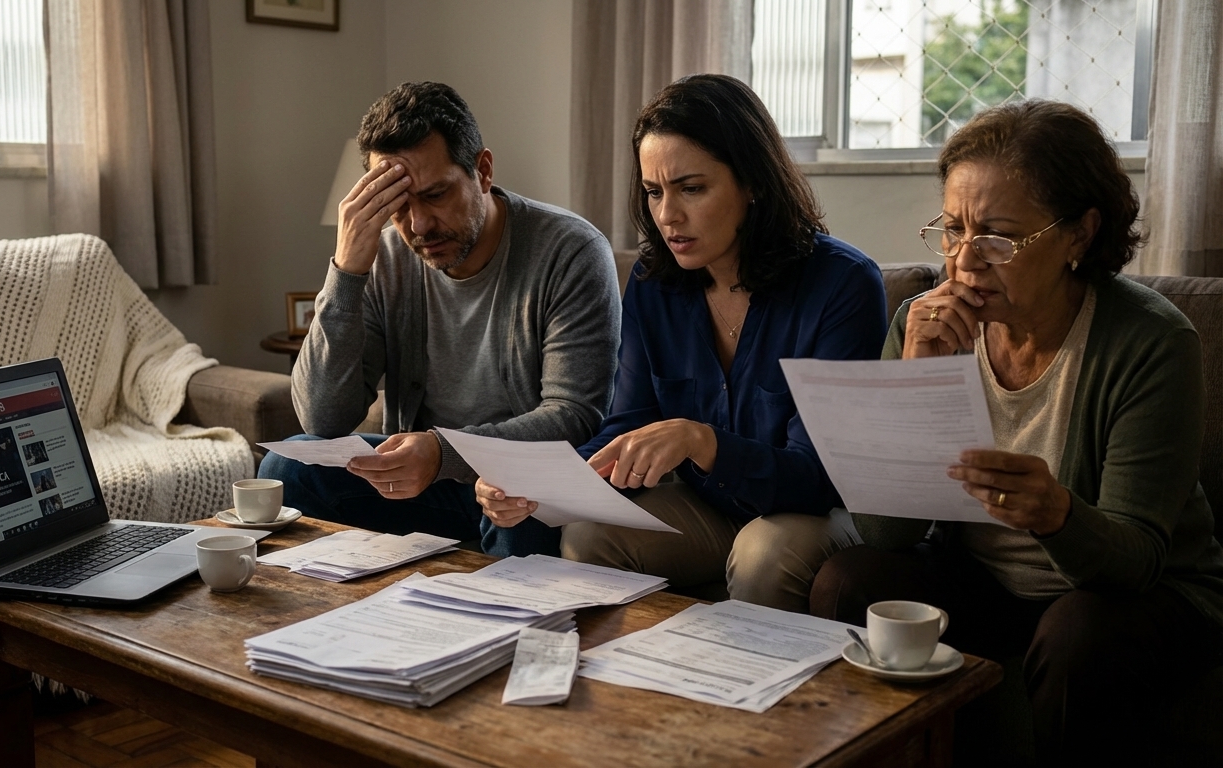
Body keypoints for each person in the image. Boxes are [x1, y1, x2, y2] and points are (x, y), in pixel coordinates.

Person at [807, 100, 1223, 766]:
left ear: (1079, 236)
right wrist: (917, 385)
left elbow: (1139, 559)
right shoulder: (922, 323)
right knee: (847, 578)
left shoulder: (1151, 340)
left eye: (997, 238)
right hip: (985, 580)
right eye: (951, 230)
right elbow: (888, 534)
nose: (964, 262)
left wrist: (1056, 514)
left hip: (1133, 600)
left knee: (1075, 632)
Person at [475, 74, 888, 611]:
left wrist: (704, 442)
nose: (668, 215)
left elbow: (820, 476)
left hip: (815, 512)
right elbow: (626, 425)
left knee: (764, 551)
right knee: (587, 535)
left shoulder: (844, 285)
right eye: (654, 192)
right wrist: (537, 484)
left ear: (752, 182)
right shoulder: (654, 282)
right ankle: (637, 687)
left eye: (692, 188)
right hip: (709, 508)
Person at [257, 82, 621, 556]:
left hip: (517, 487)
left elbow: (575, 416)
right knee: (284, 472)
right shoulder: (386, 256)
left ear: (483, 171)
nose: (420, 225)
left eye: (435, 195)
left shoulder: (571, 251)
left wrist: (444, 451)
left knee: (519, 508)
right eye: (398, 205)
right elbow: (324, 418)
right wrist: (347, 271)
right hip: (422, 485)